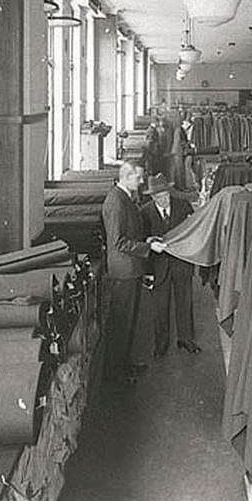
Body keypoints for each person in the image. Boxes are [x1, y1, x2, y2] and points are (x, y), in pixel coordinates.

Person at [101, 160, 167, 382]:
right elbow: (118, 242)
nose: (141, 182)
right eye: (138, 178)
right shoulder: (116, 202)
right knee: (122, 324)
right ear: (127, 176)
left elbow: (128, 235)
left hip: (130, 269)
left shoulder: (124, 198)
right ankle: (116, 374)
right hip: (123, 271)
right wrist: (148, 247)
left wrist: (146, 240)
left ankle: (125, 366)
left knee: (128, 323)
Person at [140, 173, 201, 356]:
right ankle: (161, 345)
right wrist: (148, 269)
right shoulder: (145, 213)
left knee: (184, 303)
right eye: (160, 197)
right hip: (159, 268)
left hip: (182, 264)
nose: (165, 200)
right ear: (152, 197)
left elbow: (193, 230)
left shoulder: (183, 206)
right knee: (160, 307)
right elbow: (142, 242)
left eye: (166, 195)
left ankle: (186, 340)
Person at [170, 119, 190, 190]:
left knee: (179, 169)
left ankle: (180, 186)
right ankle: (180, 187)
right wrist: (186, 144)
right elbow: (179, 142)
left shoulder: (180, 130)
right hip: (178, 151)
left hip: (178, 151)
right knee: (179, 170)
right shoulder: (179, 130)